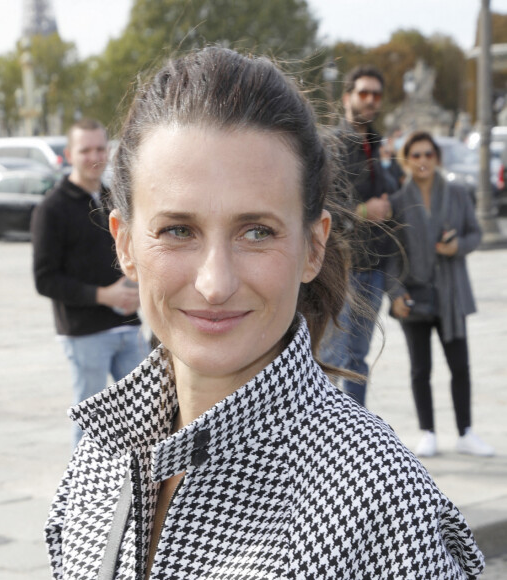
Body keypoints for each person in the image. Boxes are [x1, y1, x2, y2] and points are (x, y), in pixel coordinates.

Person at [44, 49, 484, 579]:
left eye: (256, 232)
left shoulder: (378, 504)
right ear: (125, 245)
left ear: (314, 247)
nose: (215, 283)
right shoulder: (100, 453)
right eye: (178, 230)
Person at [31, 118, 150, 448]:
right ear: (70, 154)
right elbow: (45, 280)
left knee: (145, 417)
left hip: (128, 325)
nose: (94, 156)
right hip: (84, 332)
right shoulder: (51, 209)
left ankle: (135, 491)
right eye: (85, 150)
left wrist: (138, 290)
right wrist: (103, 295)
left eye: (100, 148)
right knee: (92, 426)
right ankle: (82, 497)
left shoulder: (116, 197)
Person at [387, 131, 494, 458]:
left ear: (437, 158)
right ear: (407, 159)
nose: (422, 161)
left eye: (428, 154)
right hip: (415, 295)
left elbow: (474, 234)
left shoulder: (458, 194)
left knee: (459, 365)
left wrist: (456, 246)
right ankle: (428, 431)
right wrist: (394, 293)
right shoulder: (398, 201)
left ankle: (465, 432)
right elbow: (390, 255)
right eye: (416, 155)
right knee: (421, 369)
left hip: (451, 293)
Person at [320, 65, 397, 407]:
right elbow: (324, 203)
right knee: (331, 358)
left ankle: (355, 439)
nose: (370, 100)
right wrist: (364, 212)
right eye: (363, 93)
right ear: (347, 97)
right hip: (342, 266)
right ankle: (321, 443)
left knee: (359, 360)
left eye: (376, 95)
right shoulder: (331, 145)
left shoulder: (378, 145)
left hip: (375, 266)